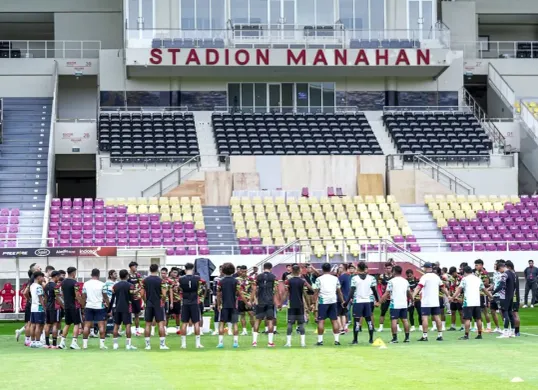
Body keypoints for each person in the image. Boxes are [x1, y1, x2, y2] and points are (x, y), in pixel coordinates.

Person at [412, 262, 451, 342]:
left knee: (425, 318)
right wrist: (448, 295)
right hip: (435, 301)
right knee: (437, 317)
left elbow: (418, 287)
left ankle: (425, 336)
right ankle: (440, 335)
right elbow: (443, 288)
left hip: (426, 301)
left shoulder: (424, 277)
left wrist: (412, 296)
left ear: (426, 268)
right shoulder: (436, 277)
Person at [452, 266, 493, 340]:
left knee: (467, 319)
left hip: (468, 302)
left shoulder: (464, 279)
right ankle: (479, 334)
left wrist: (453, 297)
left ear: (464, 272)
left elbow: (459, 289)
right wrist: (490, 296)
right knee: (478, 318)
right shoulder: (478, 279)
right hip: (477, 301)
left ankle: (466, 335)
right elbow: (484, 289)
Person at [216, 263, 249, 348]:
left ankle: (220, 343)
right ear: (233, 270)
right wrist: (246, 302)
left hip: (224, 305)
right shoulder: (236, 281)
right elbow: (240, 293)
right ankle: (235, 343)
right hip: (234, 305)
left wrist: (218, 305)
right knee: (234, 323)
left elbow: (218, 294)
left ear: (223, 271)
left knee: (222, 323)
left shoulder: (221, 281)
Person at [346, 261, 379, 345]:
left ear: (358, 268)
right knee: (369, 321)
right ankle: (371, 339)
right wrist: (377, 300)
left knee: (356, 321)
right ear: (365, 268)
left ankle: (355, 340)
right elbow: (374, 290)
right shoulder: (371, 278)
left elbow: (352, 291)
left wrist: (346, 302)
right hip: (368, 301)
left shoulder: (354, 278)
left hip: (358, 301)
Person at [313, 262, 344, 346]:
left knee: (321, 321)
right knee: (334, 320)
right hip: (333, 300)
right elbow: (339, 291)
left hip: (323, 301)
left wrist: (313, 303)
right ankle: (337, 340)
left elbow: (316, 292)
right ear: (330, 269)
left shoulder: (319, 279)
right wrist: (342, 301)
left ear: (322, 269)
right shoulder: (335, 278)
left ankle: (320, 341)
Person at [380, 265, 411, 343]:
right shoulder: (405, 281)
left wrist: (379, 302)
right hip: (404, 303)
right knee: (405, 320)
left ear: (394, 272)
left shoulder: (391, 281)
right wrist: (412, 299)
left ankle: (395, 338)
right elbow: (408, 292)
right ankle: (407, 338)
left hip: (395, 304)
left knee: (394, 320)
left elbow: (387, 293)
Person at [282, 264, 311, 347]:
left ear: (292, 271)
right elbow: (306, 293)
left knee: (290, 323)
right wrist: (308, 305)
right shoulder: (302, 281)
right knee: (301, 323)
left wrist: (281, 303)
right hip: (300, 304)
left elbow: (286, 293)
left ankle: (288, 343)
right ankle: (302, 343)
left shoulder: (288, 281)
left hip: (291, 304)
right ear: (299, 271)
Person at [251, 262, 278, 348]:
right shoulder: (274, 277)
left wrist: (253, 300)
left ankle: (254, 342)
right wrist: (277, 301)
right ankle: (270, 342)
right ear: (271, 268)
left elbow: (254, 289)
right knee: (270, 321)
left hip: (260, 301)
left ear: (263, 268)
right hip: (270, 301)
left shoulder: (258, 277)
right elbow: (276, 291)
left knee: (257, 320)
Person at [142, 264, 169, 350]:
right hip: (158, 304)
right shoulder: (161, 281)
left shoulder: (145, 280)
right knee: (160, 324)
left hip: (149, 303)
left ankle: (147, 345)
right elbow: (164, 294)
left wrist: (145, 301)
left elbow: (142, 294)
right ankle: (162, 345)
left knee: (147, 324)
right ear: (157, 270)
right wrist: (163, 301)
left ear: (150, 270)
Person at [178, 263, 204, 349]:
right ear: (192, 269)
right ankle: (198, 344)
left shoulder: (181, 279)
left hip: (185, 302)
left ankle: (183, 344)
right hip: (194, 302)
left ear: (185, 269)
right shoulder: (197, 278)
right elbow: (203, 287)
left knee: (184, 323)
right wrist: (200, 297)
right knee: (196, 322)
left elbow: (178, 289)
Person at [81, 269, 108, 350]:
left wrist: (83, 306)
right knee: (101, 325)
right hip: (99, 306)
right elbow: (105, 296)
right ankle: (102, 345)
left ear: (91, 274)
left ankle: (85, 345)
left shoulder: (86, 284)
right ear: (99, 275)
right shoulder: (102, 284)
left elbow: (83, 296)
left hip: (89, 306)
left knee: (86, 325)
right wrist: (108, 306)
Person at [111, 269, 137, 350]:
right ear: (127, 276)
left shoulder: (115, 286)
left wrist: (109, 309)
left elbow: (113, 298)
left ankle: (115, 345)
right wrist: (136, 307)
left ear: (119, 276)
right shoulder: (130, 285)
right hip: (126, 307)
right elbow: (133, 297)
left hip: (117, 307)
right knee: (128, 325)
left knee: (116, 325)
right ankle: (128, 345)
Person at [492, 260, 517, 339]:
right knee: (510, 313)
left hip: (504, 296)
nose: (499, 272)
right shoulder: (513, 274)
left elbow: (501, 286)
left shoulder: (504, 274)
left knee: (505, 313)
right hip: (511, 296)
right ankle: (512, 332)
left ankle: (506, 331)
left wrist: (493, 292)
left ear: (501, 268)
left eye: (499, 270)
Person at [59, 267, 82, 350]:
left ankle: (62, 343)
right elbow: (77, 294)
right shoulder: (75, 283)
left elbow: (62, 294)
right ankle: (74, 343)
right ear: (73, 273)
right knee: (76, 324)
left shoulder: (63, 282)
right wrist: (81, 303)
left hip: (67, 306)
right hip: (74, 306)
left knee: (67, 324)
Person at [236, 265, 255, 336]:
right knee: (242, 314)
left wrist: (251, 300)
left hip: (248, 298)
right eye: (242, 271)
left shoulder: (250, 279)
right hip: (240, 299)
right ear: (240, 271)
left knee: (251, 314)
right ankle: (244, 330)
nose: (244, 273)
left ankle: (253, 330)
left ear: (247, 271)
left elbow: (253, 289)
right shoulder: (237, 279)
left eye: (245, 271)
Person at [44, 271, 61, 348]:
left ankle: (47, 343)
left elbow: (45, 297)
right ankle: (54, 344)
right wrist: (63, 306)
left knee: (48, 324)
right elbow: (58, 297)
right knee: (55, 325)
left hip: (48, 306)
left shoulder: (46, 286)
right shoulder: (55, 286)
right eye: (59, 277)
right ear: (56, 276)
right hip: (55, 307)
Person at [29, 271, 46, 348]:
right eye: (42, 277)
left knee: (33, 325)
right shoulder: (39, 287)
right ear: (39, 277)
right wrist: (44, 307)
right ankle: (38, 341)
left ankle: (32, 341)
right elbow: (41, 298)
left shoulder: (32, 285)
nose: (43, 279)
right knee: (39, 325)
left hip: (33, 307)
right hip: (39, 307)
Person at [474, 259, 491, 332]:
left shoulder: (484, 273)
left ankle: (489, 327)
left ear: (481, 265)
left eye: (477, 265)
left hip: (483, 294)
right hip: (477, 294)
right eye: (475, 265)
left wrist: (478, 284)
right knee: (479, 311)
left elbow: (487, 283)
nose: (475, 266)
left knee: (485, 311)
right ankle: (481, 327)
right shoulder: (476, 273)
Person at [127, 261, 144, 336]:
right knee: (128, 314)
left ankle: (137, 331)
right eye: (134, 266)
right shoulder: (127, 276)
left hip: (137, 297)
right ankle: (128, 330)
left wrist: (139, 291)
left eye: (136, 267)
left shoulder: (138, 275)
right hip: (129, 297)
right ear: (130, 267)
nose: (136, 268)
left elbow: (142, 285)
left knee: (137, 314)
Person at [377, 262, 393, 332]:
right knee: (383, 312)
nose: (388, 269)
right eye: (386, 268)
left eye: (389, 268)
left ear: (392, 268)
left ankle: (397, 326)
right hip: (384, 297)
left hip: (393, 297)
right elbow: (379, 287)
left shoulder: (394, 276)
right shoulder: (381, 276)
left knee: (394, 312)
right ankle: (381, 327)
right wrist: (381, 296)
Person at [506, 261, 521, 336]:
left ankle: (513, 330)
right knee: (515, 313)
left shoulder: (511, 275)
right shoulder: (515, 275)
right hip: (516, 296)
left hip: (512, 296)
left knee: (513, 314)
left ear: (509, 267)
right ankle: (517, 331)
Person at [447, 267, 463, 331]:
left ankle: (463, 326)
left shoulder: (461, 278)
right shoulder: (451, 279)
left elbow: (462, 288)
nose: (452, 275)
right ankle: (453, 326)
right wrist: (449, 296)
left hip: (459, 297)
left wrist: (461, 297)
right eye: (451, 274)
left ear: (455, 272)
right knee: (453, 312)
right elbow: (450, 288)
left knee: (461, 312)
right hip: (453, 297)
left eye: (452, 273)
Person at [337, 264, 352, 335]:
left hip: (340, 298)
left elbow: (338, 288)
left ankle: (340, 328)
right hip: (347, 298)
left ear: (344, 268)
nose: (339, 268)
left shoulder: (342, 277)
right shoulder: (349, 276)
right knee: (343, 314)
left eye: (340, 267)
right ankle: (344, 328)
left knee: (337, 314)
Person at [489, 260, 502, 333]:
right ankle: (497, 327)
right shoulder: (494, 274)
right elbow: (494, 284)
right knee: (492, 311)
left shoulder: (502, 273)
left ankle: (506, 327)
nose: (494, 266)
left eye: (495, 264)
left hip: (500, 295)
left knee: (501, 311)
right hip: (494, 295)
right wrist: (487, 290)